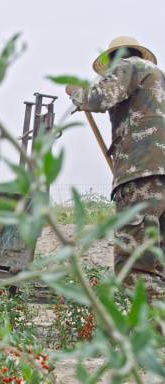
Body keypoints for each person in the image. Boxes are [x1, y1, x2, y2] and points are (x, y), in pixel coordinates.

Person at [66, 36, 165, 300]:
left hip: (142, 178)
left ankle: (150, 339)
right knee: (159, 266)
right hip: (158, 179)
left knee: (136, 269)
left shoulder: (130, 65)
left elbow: (99, 98)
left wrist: (76, 92)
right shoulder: (159, 82)